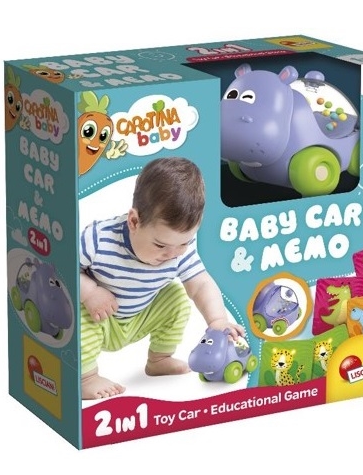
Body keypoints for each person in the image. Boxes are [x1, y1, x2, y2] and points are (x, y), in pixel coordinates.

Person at [80, 156, 245, 400]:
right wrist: (90, 292)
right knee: (74, 308)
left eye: (184, 243)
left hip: (139, 318)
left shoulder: (179, 249)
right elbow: (59, 269)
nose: (172, 255)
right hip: (99, 319)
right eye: (160, 245)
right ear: (134, 221)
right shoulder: (98, 239)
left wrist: (218, 320)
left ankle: (159, 359)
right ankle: (86, 377)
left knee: (176, 297)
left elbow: (200, 284)